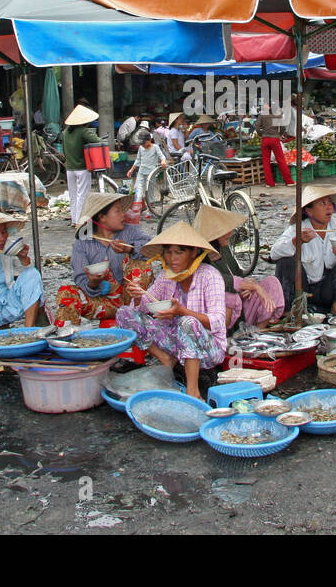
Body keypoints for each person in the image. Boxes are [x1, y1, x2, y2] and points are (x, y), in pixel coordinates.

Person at [117, 223, 229, 398]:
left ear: (194, 253)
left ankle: (193, 391)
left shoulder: (209, 275)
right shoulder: (165, 276)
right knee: (124, 313)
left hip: (208, 349)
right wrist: (138, 295)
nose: (172, 258)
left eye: (179, 252)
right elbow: (146, 304)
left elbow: (217, 321)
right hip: (174, 343)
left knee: (187, 322)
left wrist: (182, 311)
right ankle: (165, 359)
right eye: (168, 252)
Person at [53, 192, 152, 322]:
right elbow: (80, 278)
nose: (123, 214)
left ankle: (137, 318)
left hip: (133, 300)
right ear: (102, 217)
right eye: (118, 211)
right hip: (102, 303)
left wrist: (130, 248)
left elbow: (153, 247)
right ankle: (67, 337)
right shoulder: (83, 243)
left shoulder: (131, 231)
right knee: (66, 293)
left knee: (140, 264)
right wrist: (93, 283)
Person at [270, 183, 336, 316]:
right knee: (285, 262)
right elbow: (274, 253)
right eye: (322, 203)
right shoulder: (298, 229)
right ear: (309, 211)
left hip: (330, 288)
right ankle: (291, 311)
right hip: (304, 289)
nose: (329, 207)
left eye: (330, 203)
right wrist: (296, 242)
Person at [195, 204, 284, 330]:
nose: (231, 233)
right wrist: (249, 286)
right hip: (219, 309)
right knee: (230, 297)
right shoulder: (199, 256)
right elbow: (219, 280)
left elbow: (238, 274)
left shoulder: (223, 249)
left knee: (272, 283)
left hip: (242, 301)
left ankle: (259, 332)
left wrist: (249, 285)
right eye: (226, 231)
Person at [61, 104, 101, 225]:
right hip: (82, 168)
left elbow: (64, 150)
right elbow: (98, 141)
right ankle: (80, 221)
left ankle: (74, 219)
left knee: (73, 195)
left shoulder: (65, 133)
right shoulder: (83, 131)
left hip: (69, 168)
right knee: (82, 195)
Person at [125, 133, 167, 221]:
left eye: (144, 143)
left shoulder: (155, 147)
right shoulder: (141, 148)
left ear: (149, 140)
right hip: (141, 172)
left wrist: (163, 161)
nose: (143, 145)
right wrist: (131, 170)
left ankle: (151, 210)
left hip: (151, 173)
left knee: (150, 192)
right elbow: (138, 160)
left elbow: (162, 156)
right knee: (138, 189)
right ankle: (138, 210)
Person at [256, 102, 292, 187]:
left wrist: (262, 134)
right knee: (281, 160)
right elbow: (283, 128)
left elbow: (257, 128)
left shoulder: (262, 115)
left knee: (266, 161)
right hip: (275, 139)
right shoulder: (278, 115)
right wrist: (279, 134)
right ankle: (289, 181)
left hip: (265, 139)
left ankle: (269, 183)